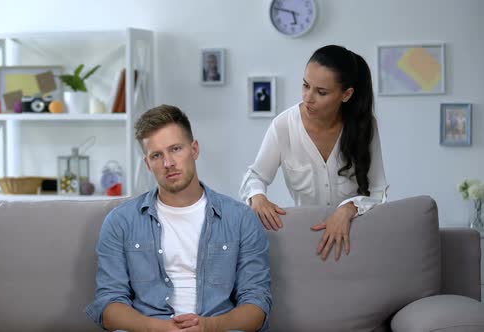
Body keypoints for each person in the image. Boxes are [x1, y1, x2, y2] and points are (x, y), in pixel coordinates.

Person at [87, 105, 271, 332]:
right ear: (147, 163)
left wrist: (209, 326)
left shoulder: (241, 219)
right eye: (157, 155)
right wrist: (159, 328)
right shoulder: (120, 222)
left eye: (175, 149)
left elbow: (257, 305)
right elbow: (109, 305)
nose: (168, 163)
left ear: (194, 149)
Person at [239, 45, 388, 261]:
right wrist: (257, 197)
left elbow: (379, 191)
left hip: (358, 239)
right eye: (305, 85)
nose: (308, 97)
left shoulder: (365, 127)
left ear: (346, 94)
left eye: (321, 92)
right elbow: (255, 176)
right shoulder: (284, 125)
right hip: (307, 242)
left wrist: (348, 209)